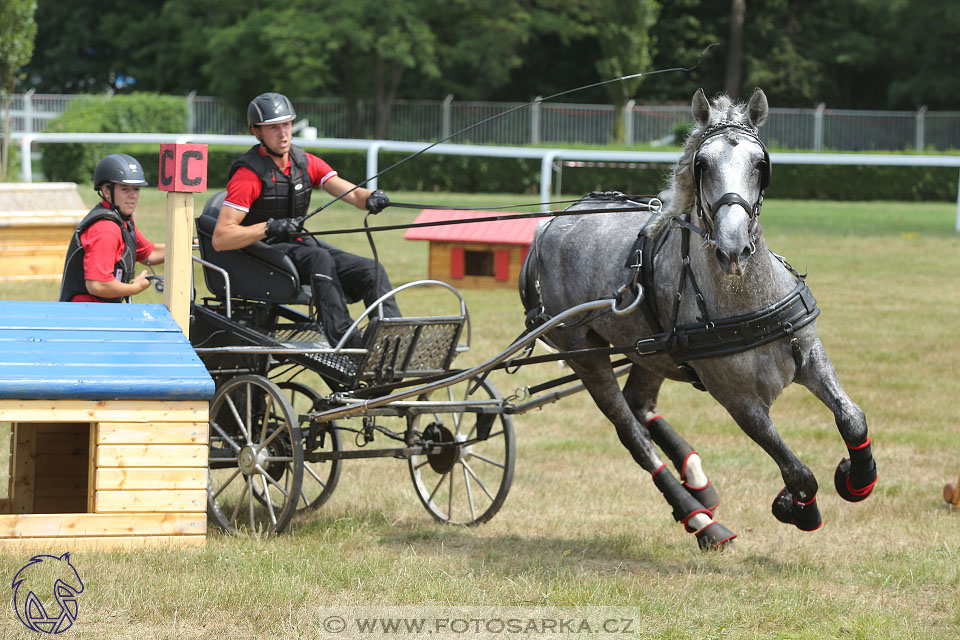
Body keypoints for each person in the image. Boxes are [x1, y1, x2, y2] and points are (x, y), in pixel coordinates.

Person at [212, 92, 399, 348]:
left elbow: (353, 193)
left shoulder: (304, 162)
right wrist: (269, 226)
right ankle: (347, 340)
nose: (283, 133)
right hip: (262, 253)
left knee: (371, 270)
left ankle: (391, 340)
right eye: (273, 128)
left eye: (287, 124)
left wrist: (371, 197)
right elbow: (222, 237)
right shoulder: (248, 175)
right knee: (318, 257)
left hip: (298, 247)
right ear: (257, 132)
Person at [59, 153, 165, 302]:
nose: (133, 195)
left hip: (101, 313)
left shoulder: (121, 221)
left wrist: (190, 245)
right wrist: (136, 288)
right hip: (87, 317)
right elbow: (98, 285)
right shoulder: (106, 229)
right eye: (125, 189)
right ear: (106, 191)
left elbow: (150, 253)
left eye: (136, 189)